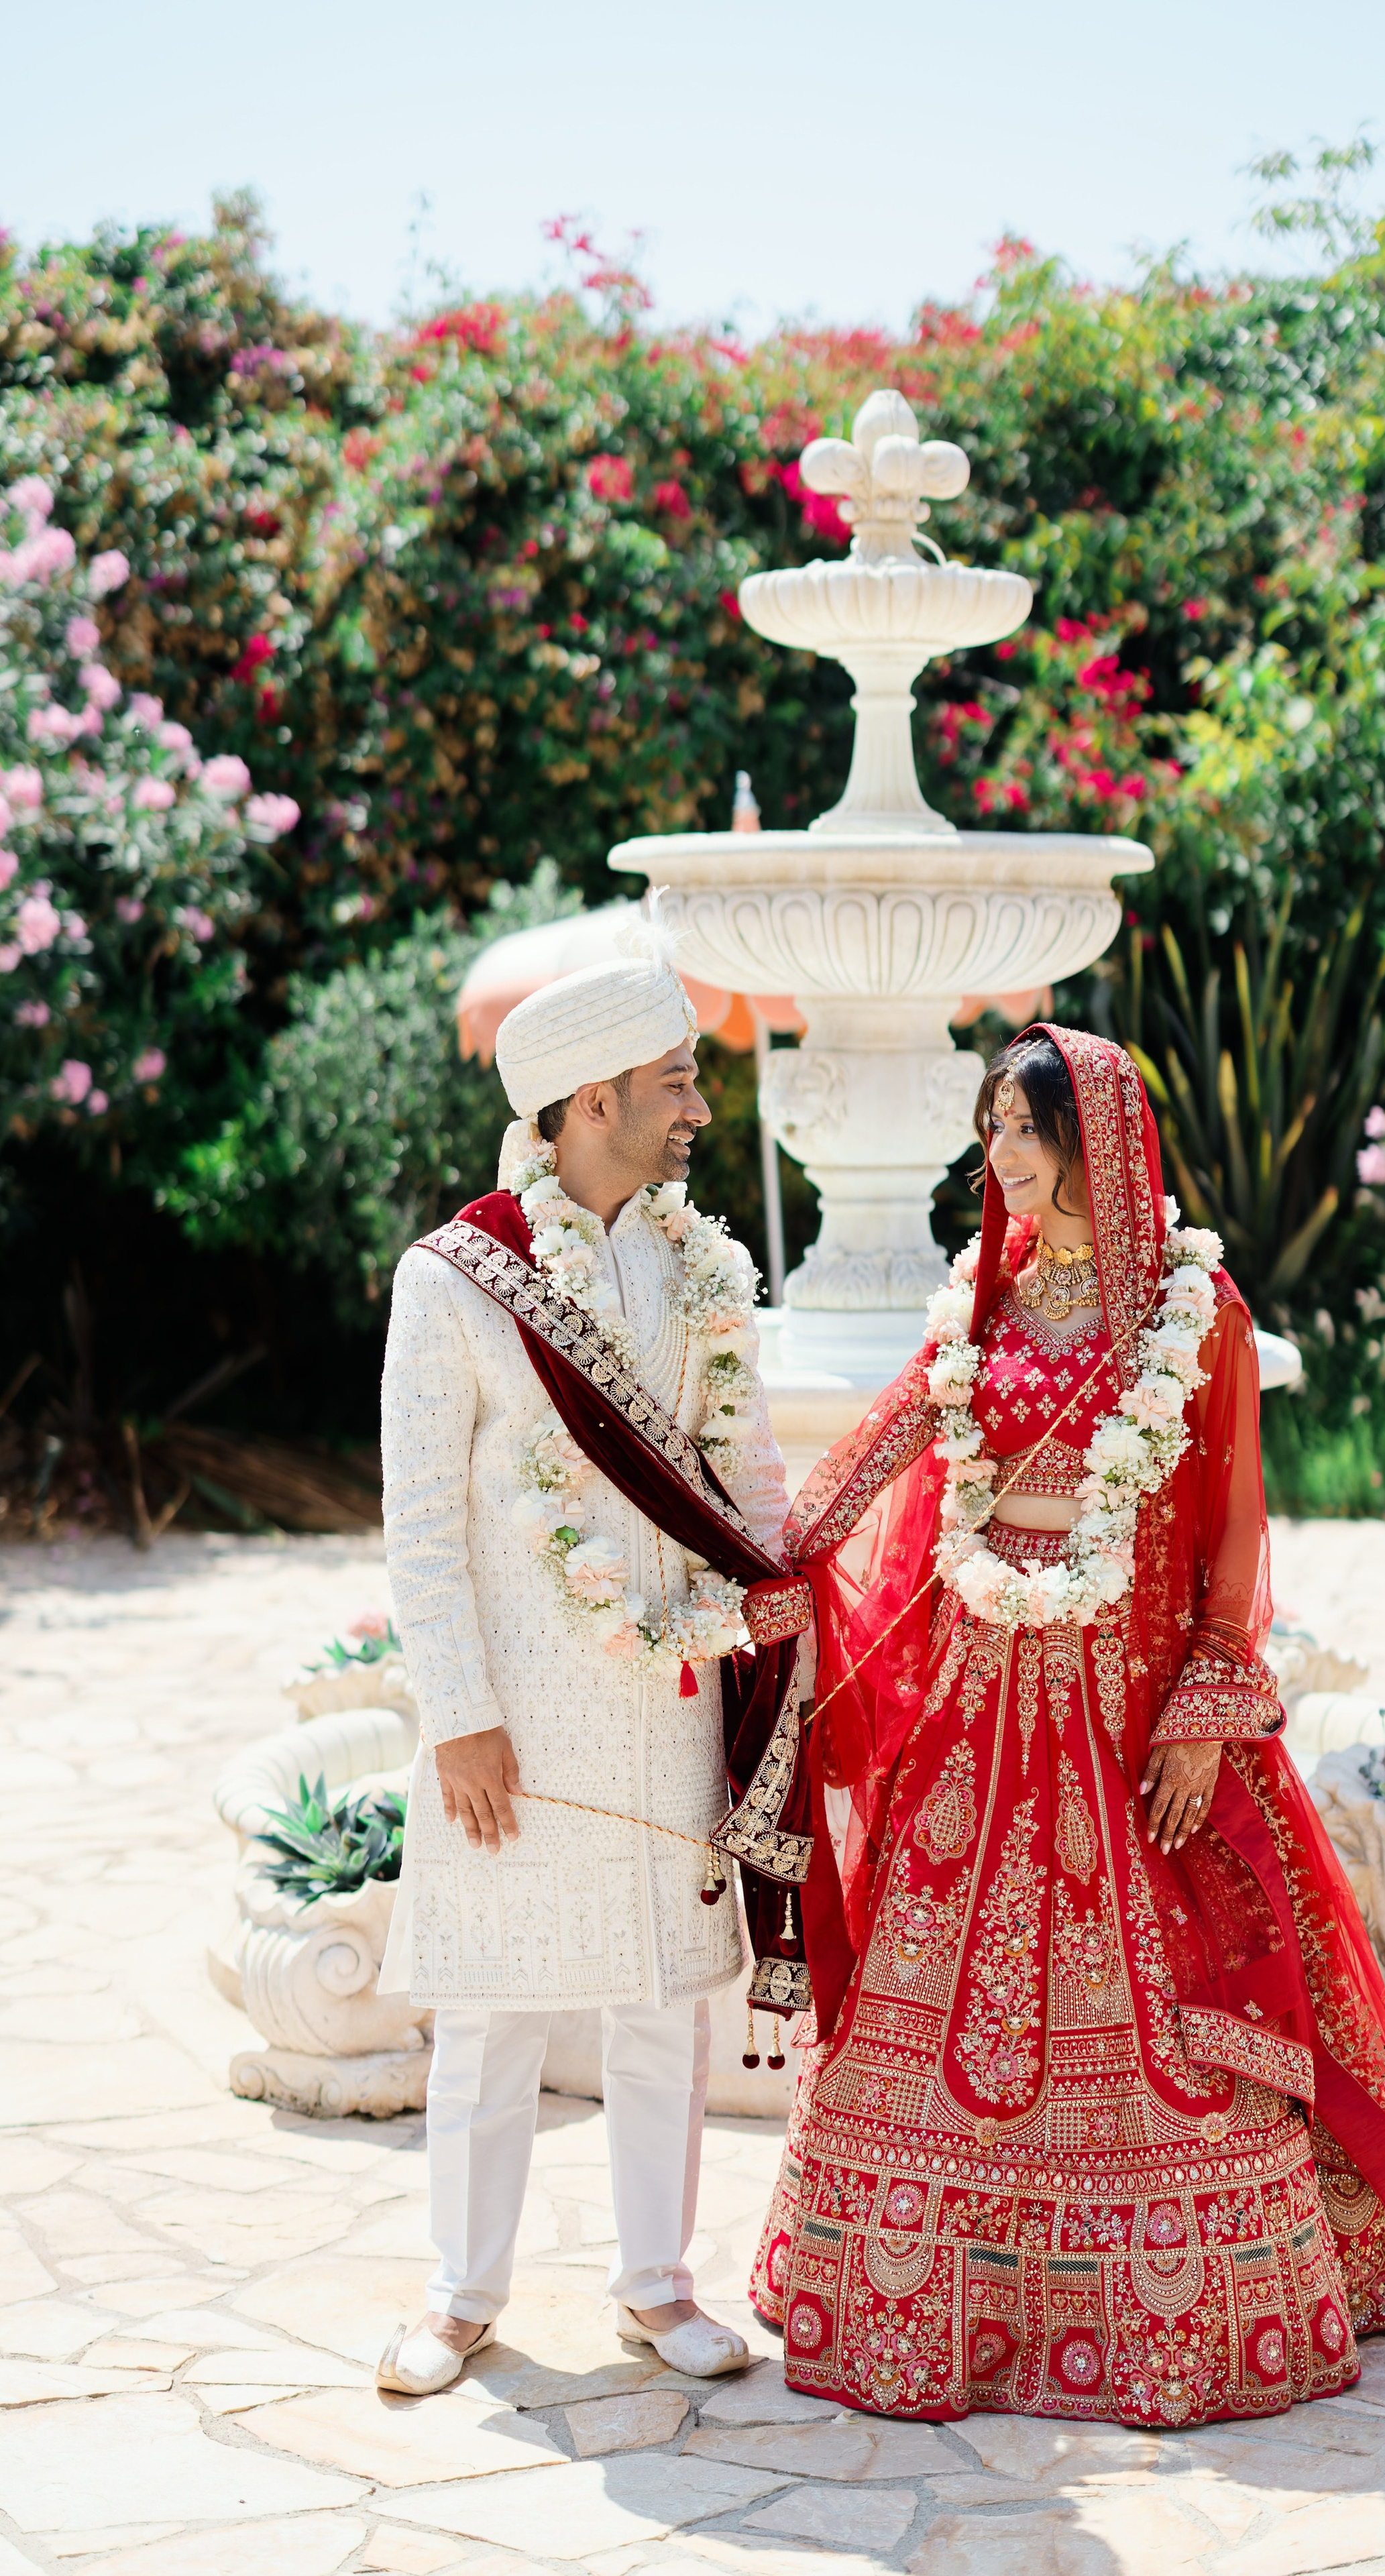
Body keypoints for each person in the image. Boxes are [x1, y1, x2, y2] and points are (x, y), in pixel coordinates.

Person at [751, 1023, 1385, 2428]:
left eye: (1018, 1129)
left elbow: (1234, 1536)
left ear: (1093, 1145)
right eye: (993, 1129)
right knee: (929, 1986)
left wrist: (1204, 1701)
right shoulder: (980, 1304)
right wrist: (766, 1561)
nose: (996, 1155)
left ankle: (1165, 2308)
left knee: (1161, 1996)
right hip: (976, 1702)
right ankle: (911, 2291)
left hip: (1121, 1713)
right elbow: (891, 1439)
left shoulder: (1195, 1317)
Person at [374, 933, 812, 2396]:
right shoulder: (455, 1282)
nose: (697, 1110)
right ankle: (459, 2292)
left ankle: (654, 2285)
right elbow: (420, 1525)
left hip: (666, 1704)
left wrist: (778, 1598)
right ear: (583, 1102)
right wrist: (459, 1719)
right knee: (492, 2011)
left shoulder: (697, 1268)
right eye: (674, 1082)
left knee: (655, 2001)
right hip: (515, 1720)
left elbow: (739, 1470)